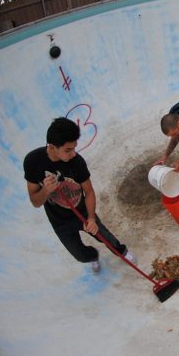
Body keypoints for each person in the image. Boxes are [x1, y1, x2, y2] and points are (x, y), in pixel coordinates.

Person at [23, 117, 135, 274]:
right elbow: (35, 201)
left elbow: (88, 191)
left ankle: (121, 252)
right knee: (80, 256)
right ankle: (93, 256)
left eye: (74, 148)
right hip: (59, 221)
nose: (73, 154)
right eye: (68, 150)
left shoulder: (77, 162)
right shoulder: (33, 162)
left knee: (104, 235)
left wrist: (90, 218)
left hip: (81, 212)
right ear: (53, 147)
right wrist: (46, 190)